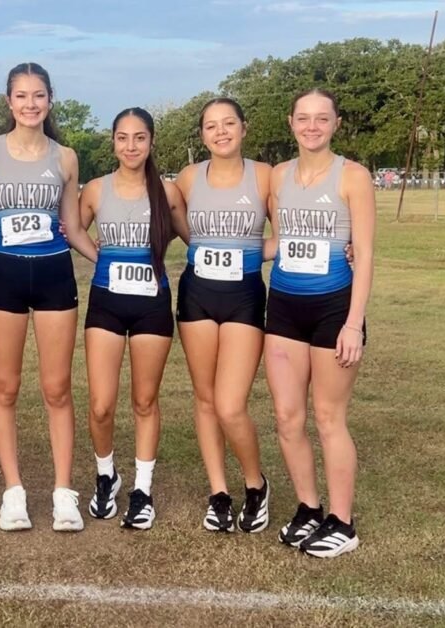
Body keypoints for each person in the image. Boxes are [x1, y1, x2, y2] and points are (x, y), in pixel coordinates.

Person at [0, 62, 98, 532]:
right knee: (5, 387)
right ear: (9, 102)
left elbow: (71, 226)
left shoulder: (64, 157)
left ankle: (64, 493)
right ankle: (13, 493)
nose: (30, 104)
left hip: (54, 276)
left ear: (50, 100)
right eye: (22, 96)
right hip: (5, 276)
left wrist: (106, 259)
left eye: (38, 95)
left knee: (56, 388)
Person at [266, 88, 374, 558]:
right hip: (284, 307)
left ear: (336, 123)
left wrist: (353, 323)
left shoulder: (353, 176)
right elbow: (279, 241)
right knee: (288, 418)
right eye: (304, 118)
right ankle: (309, 508)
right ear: (291, 122)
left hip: (335, 308)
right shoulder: (277, 176)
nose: (312, 126)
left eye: (322, 118)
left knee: (329, 418)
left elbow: (365, 254)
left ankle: (342, 523)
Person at [80, 107, 187, 530]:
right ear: (113, 142)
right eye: (123, 138)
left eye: (139, 138)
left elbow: (199, 239)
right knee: (102, 404)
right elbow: (70, 228)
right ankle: (106, 476)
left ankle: (142, 489)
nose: (131, 146)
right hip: (106, 303)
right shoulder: (95, 190)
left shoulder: (169, 192)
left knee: (144, 401)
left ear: (151, 142)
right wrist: (99, 256)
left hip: (152, 305)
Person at [174, 98, 272, 534]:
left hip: (244, 295)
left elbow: (287, 236)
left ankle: (256, 485)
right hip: (197, 295)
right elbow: (162, 216)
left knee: (231, 405)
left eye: (228, 123)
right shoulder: (190, 177)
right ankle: (218, 492)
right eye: (211, 126)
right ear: (202, 135)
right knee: (205, 398)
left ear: (243, 128)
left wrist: (250, 252)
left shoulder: (266, 176)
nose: (220, 132)